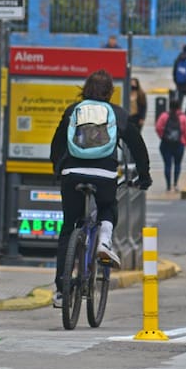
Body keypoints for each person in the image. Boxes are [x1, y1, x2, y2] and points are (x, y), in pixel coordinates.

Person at [49, 69, 152, 307]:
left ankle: (62, 289)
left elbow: (57, 144)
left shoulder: (72, 111)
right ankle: (104, 241)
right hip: (104, 174)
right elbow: (137, 146)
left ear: (85, 89)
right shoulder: (117, 114)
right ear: (110, 92)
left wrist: (58, 169)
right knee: (107, 206)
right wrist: (144, 177)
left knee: (69, 227)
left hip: (72, 175)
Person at [154, 98, 186, 192]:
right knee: (177, 164)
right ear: (179, 107)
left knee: (167, 165)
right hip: (179, 144)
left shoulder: (164, 116)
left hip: (166, 144)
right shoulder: (183, 118)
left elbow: (157, 127)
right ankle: (176, 184)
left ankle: (168, 185)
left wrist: (162, 136)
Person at [171, 44, 186, 112]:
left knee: (179, 102)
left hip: (180, 85)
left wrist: (176, 82)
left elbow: (174, 72)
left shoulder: (178, 59)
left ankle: (178, 115)